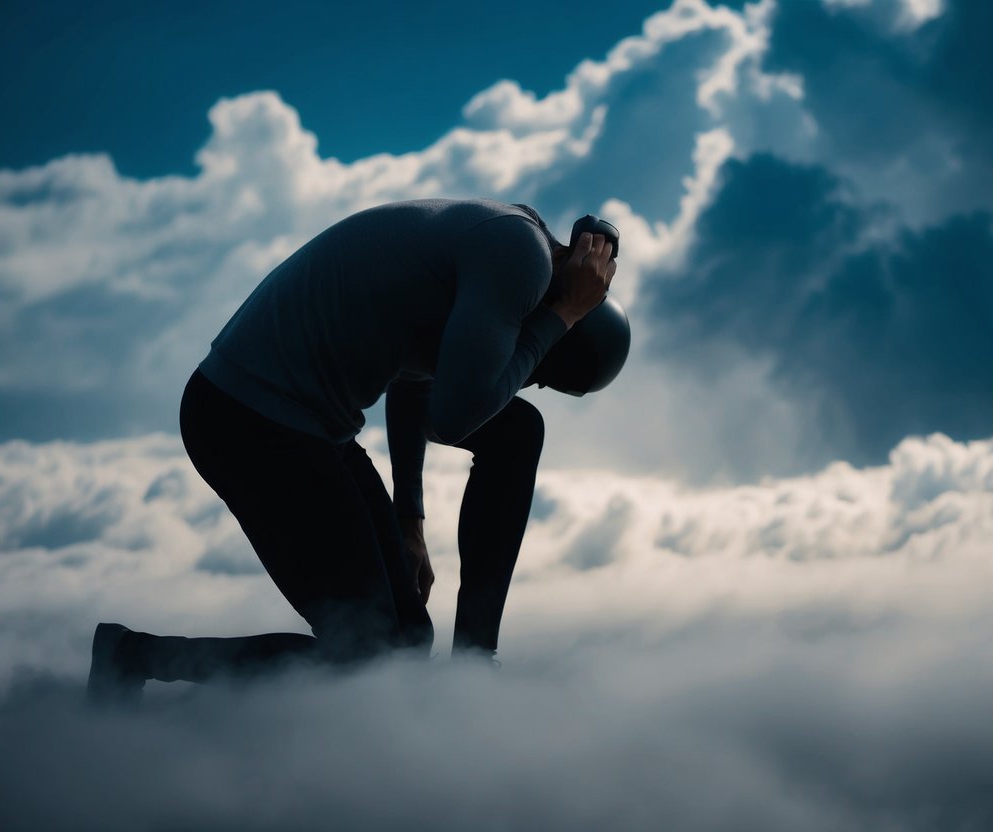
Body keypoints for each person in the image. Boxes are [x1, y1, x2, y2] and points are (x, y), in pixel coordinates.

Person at [87, 199, 628, 705]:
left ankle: (469, 664)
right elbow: (453, 417)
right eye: (538, 373)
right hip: (248, 420)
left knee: (405, 645)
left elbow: (414, 389)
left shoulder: (512, 249)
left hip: (308, 426)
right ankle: (133, 656)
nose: (525, 376)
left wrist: (409, 521)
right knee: (369, 658)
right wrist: (562, 317)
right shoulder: (521, 259)